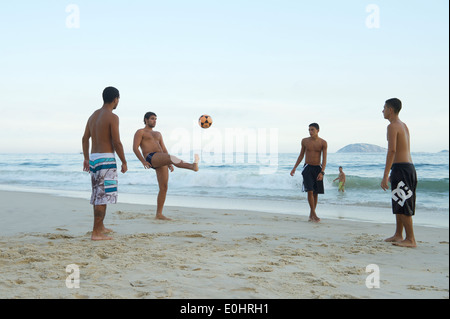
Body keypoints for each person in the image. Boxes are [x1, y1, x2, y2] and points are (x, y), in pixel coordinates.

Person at [133, 112, 199, 220]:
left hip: (161, 158)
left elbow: (163, 149)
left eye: (155, 119)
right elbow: (135, 148)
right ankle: (192, 166)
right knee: (171, 157)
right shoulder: (140, 132)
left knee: (163, 187)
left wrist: (168, 162)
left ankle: (159, 214)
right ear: (146, 120)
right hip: (151, 157)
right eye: (152, 119)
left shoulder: (158, 133)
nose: (154, 121)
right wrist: (143, 161)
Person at [82, 86, 128, 240]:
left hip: (94, 159)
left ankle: (100, 227)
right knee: (103, 196)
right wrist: (124, 161)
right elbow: (116, 142)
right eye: (118, 100)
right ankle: (96, 233)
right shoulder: (112, 117)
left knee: (98, 194)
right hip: (106, 159)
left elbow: (84, 138)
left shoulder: (93, 116)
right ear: (115, 99)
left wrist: (86, 158)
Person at [381, 98, 417, 248]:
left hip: (402, 168)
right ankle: (398, 234)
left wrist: (385, 175)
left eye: (384, 108)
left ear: (390, 110)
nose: (382, 111)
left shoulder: (392, 126)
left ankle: (410, 239)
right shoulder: (403, 125)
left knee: (403, 203)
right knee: (398, 200)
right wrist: (393, 170)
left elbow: (392, 150)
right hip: (405, 167)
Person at [290, 123, 327, 222]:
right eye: (309, 130)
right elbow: (301, 155)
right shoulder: (305, 141)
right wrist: (294, 168)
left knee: (315, 193)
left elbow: (324, 159)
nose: (310, 132)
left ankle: (311, 215)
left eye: (312, 130)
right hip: (307, 168)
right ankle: (314, 214)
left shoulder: (323, 143)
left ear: (318, 130)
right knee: (309, 190)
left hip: (317, 168)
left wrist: (322, 172)